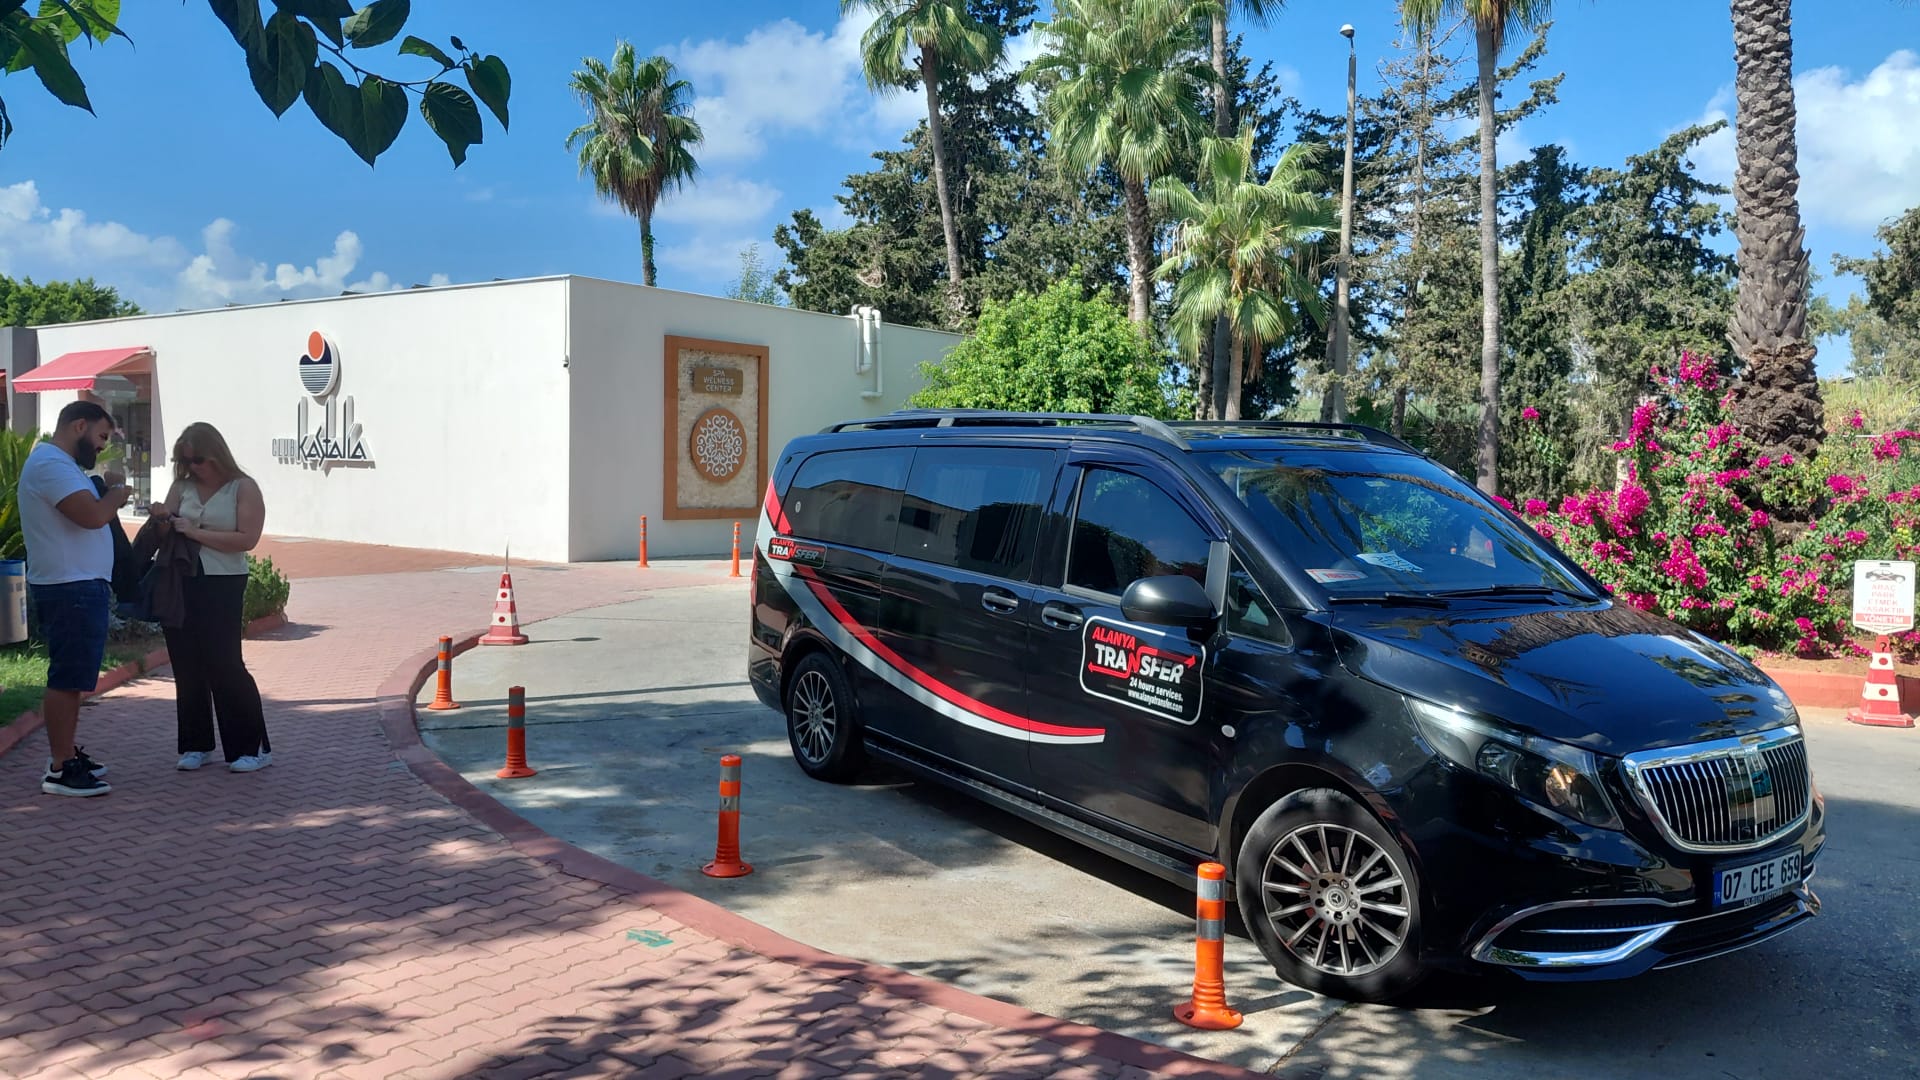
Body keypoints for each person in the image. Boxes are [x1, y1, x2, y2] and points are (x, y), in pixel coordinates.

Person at [20, 400, 131, 797]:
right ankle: (60, 767)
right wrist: (116, 494)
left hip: (78, 586)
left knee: (74, 678)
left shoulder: (63, 466)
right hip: (70, 587)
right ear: (78, 425)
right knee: (67, 678)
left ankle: (66, 753)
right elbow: (92, 516)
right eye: (100, 436)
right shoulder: (50, 464)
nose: (102, 446)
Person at [149, 422, 271, 773]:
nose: (192, 467)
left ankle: (251, 747)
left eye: (198, 460)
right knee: (185, 662)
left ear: (216, 455)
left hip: (223, 580)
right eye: (185, 461)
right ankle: (195, 744)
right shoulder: (182, 487)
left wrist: (195, 533)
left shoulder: (243, 488)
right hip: (181, 579)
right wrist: (162, 520)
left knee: (225, 661)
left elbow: (247, 539)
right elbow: (167, 533)